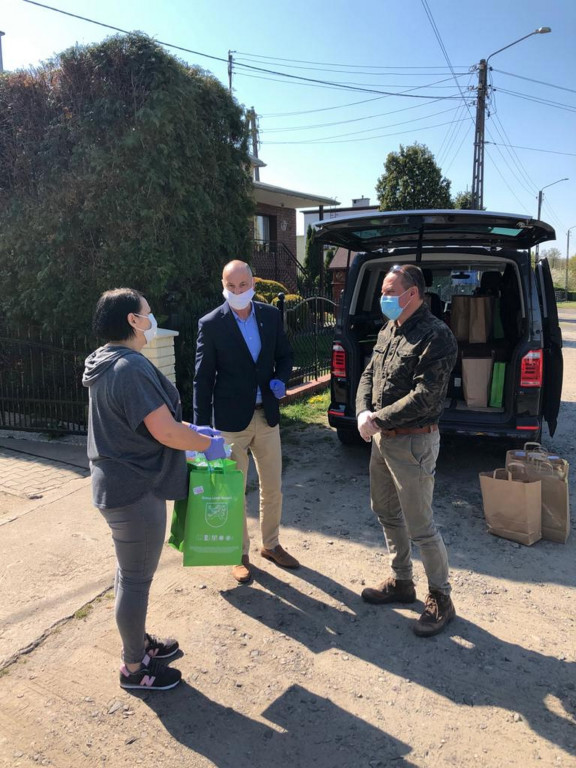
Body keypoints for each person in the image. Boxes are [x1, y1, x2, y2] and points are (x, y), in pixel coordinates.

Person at [83, 288, 226, 691]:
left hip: (119, 484)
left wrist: (191, 432)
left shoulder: (106, 361)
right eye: (147, 312)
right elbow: (163, 431)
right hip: (134, 489)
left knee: (128, 574)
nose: (152, 317)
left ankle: (137, 643)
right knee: (135, 579)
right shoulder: (127, 367)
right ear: (132, 320)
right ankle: (134, 667)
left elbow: (148, 423)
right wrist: (204, 443)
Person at [356, 265, 458, 637]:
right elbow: (369, 373)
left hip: (414, 440)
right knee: (384, 510)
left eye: (388, 290)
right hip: (383, 438)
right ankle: (402, 582)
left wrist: (376, 419)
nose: (383, 297)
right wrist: (362, 411)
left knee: (421, 525)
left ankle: (441, 599)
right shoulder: (390, 328)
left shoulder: (436, 335)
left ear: (411, 293)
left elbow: (425, 395)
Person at [194, 260, 297, 583]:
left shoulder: (270, 315)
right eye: (231, 286)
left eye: (243, 285)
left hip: (265, 416)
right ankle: (237, 553)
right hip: (229, 422)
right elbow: (202, 379)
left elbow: (285, 355)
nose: (238, 291)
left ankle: (272, 544)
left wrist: (280, 379)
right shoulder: (211, 324)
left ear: (253, 282)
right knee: (232, 491)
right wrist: (201, 431)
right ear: (223, 286)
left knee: (273, 488)